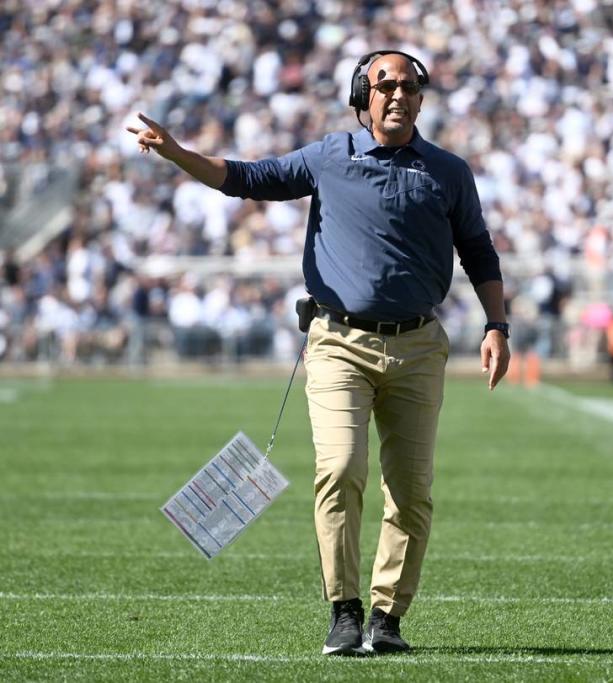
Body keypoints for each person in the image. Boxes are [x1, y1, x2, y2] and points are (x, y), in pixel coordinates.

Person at [127, 50, 511, 655]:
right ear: (362, 96)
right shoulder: (330, 156)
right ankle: (346, 609)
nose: (398, 96)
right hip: (338, 343)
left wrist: (497, 325)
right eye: (385, 86)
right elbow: (247, 179)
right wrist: (176, 152)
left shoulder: (449, 171)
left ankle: (387, 617)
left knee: (411, 492)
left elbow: (479, 251)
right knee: (338, 469)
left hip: (417, 347)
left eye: (410, 87)